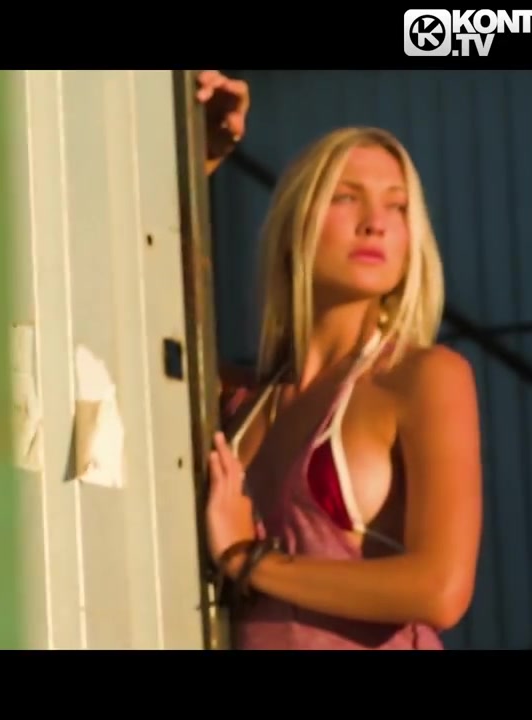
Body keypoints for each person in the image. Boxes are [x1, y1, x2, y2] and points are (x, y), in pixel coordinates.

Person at [195, 70, 483, 649]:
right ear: (293, 224)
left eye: (397, 206)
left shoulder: (422, 377)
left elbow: (441, 589)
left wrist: (247, 559)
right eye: (346, 197)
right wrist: (197, 159)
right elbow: (132, 310)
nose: (375, 222)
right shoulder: (236, 401)